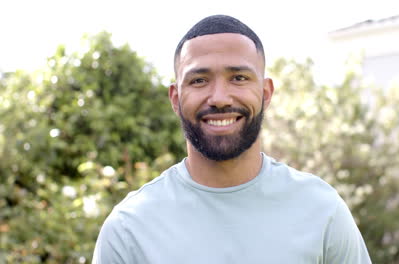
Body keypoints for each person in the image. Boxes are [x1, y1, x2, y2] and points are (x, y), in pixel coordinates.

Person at [92, 15, 372, 263]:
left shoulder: (322, 210)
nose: (220, 98)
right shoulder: (129, 228)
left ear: (266, 93)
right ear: (176, 99)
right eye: (199, 80)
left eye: (238, 77)